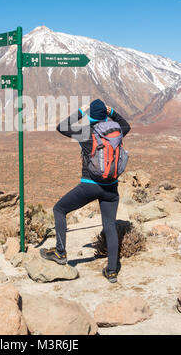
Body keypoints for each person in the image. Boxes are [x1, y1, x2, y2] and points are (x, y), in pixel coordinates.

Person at [40, 99, 131, 283]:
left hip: (89, 185)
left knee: (59, 209)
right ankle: (112, 271)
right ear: (105, 115)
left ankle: (60, 252)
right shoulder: (116, 132)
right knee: (110, 226)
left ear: (90, 117)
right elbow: (126, 125)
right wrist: (112, 110)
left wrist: (80, 112)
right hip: (111, 189)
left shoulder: (86, 132)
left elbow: (62, 126)